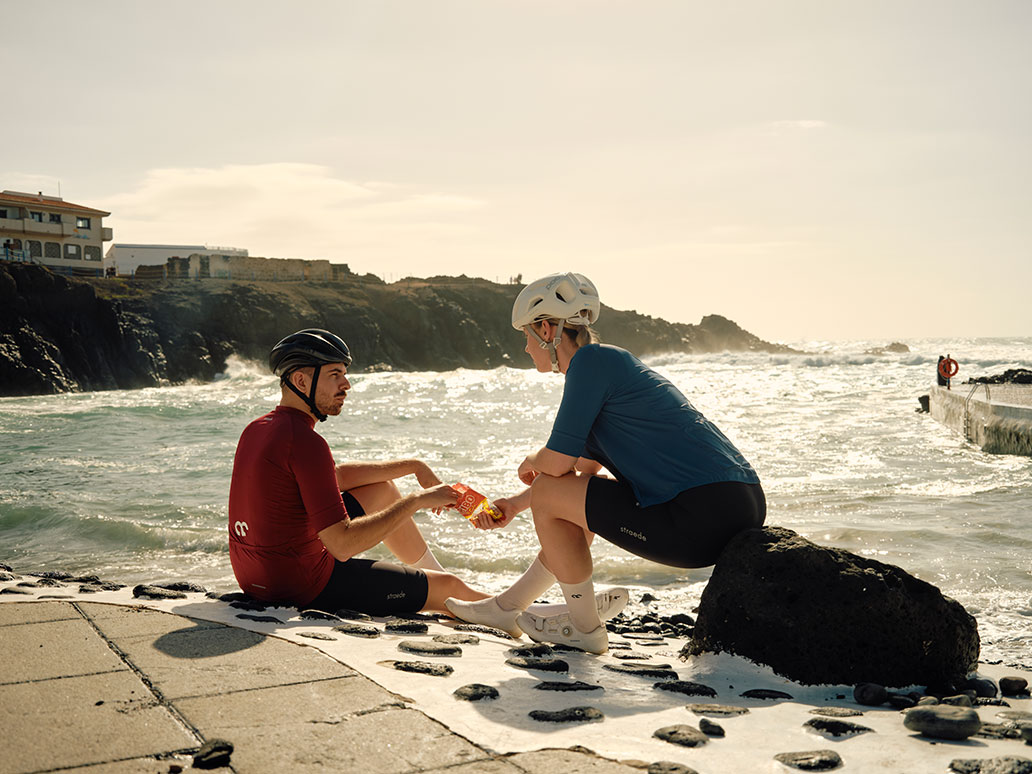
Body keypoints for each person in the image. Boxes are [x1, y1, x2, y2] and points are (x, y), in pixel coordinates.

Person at [446, 273, 766, 653]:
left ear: (548, 329)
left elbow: (556, 465)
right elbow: (581, 474)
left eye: (527, 336)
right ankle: (507, 607)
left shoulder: (590, 363)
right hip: (738, 504)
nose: (526, 347)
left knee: (552, 489)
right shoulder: (611, 364)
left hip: (700, 518)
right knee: (568, 502)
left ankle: (583, 629)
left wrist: (531, 460)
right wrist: (514, 505)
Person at [228, 328, 488, 615]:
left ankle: (432, 575)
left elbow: (333, 477)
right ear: (301, 381)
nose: (347, 384)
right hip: (301, 586)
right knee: (450, 589)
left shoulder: (258, 428)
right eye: (334, 375)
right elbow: (341, 545)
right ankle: (511, 611)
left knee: (382, 490)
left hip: (254, 577)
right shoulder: (305, 441)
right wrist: (417, 501)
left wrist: (415, 466)